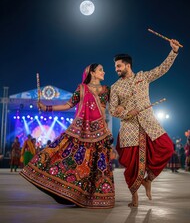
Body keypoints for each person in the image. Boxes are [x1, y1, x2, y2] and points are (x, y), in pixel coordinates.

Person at [20, 64, 116, 208]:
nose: (104, 72)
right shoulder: (82, 88)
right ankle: (73, 195)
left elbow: (107, 110)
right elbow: (68, 105)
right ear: (92, 73)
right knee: (76, 162)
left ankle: (93, 198)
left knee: (98, 166)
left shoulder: (106, 89)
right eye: (101, 69)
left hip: (100, 132)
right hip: (82, 130)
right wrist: (47, 108)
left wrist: (112, 123)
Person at [109, 39, 180, 207]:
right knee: (133, 166)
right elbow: (112, 110)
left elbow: (162, 69)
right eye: (115, 67)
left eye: (118, 66)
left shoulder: (143, 77)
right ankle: (134, 197)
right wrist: (127, 112)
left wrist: (174, 52)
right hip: (129, 129)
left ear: (127, 65)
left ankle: (148, 180)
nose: (116, 69)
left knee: (167, 147)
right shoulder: (115, 87)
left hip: (149, 123)